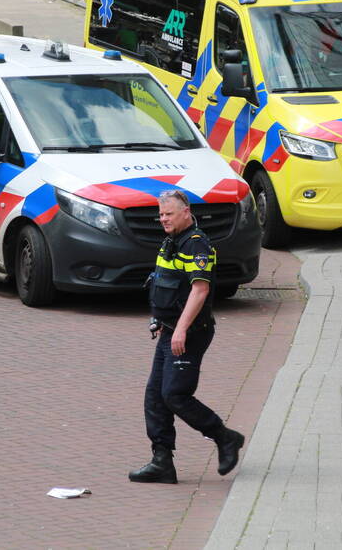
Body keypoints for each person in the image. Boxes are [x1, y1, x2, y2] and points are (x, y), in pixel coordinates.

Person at [128, 189, 244, 484]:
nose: (163, 219)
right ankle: (162, 461)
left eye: (168, 213)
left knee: (174, 395)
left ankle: (225, 437)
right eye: (161, 214)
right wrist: (161, 319)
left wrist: (180, 328)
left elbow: (200, 289)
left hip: (189, 334)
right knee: (155, 397)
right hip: (169, 331)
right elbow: (167, 284)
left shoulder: (196, 245)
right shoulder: (172, 241)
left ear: (186, 213)